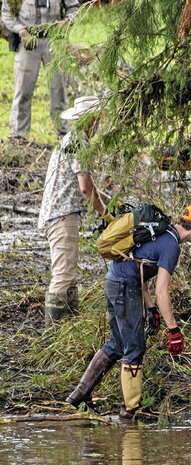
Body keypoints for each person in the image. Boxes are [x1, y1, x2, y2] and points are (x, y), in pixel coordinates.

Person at [65, 204, 191, 419]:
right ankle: (130, 411)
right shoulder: (171, 245)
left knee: (117, 344)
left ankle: (79, 396)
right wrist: (174, 330)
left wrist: (151, 308)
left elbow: (141, 272)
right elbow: (162, 291)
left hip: (114, 282)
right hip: (125, 287)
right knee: (135, 348)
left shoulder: (160, 231)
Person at [38, 95, 112, 327]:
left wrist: (108, 200)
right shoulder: (79, 142)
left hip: (61, 213)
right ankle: (53, 333)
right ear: (89, 118)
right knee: (63, 276)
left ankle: (68, 325)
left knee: (69, 276)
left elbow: (86, 185)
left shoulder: (72, 139)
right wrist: (105, 215)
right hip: (62, 214)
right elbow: (85, 188)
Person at [2, 0, 79, 141]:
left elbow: (74, 7)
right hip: (27, 42)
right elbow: (7, 14)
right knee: (23, 90)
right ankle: (18, 136)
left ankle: (63, 134)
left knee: (58, 89)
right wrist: (20, 30)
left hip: (55, 41)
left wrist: (66, 21)